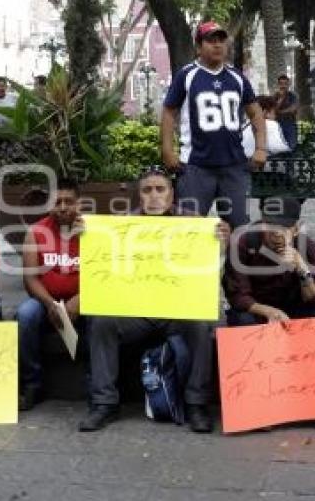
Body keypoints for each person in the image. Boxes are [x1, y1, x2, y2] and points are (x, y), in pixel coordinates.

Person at [79, 167, 230, 433]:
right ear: (140, 196)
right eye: (147, 190)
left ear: (172, 195)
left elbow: (209, 269)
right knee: (102, 321)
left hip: (177, 312)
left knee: (203, 322)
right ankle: (104, 403)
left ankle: (196, 403)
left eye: (160, 189)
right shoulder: (124, 223)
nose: (154, 196)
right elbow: (106, 264)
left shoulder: (194, 223)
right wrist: (88, 235)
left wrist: (221, 244)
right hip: (137, 311)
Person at [223, 197, 315, 432]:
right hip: (258, 310)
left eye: (284, 228)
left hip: (295, 310)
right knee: (242, 322)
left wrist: (303, 270)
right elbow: (238, 295)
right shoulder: (244, 242)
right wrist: (268, 311)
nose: (277, 234)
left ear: (295, 229)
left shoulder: (307, 247)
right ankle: (258, 406)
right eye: (270, 227)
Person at [161, 21, 267, 228]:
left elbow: (255, 113)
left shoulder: (237, 77)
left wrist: (261, 148)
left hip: (234, 166)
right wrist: (167, 150)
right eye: (211, 40)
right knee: (189, 228)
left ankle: (233, 261)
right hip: (195, 166)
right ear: (199, 47)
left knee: (238, 227)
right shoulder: (187, 75)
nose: (217, 45)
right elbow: (168, 112)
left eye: (221, 40)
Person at [17, 178, 83, 411]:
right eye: (57, 202)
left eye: (68, 201)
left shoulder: (91, 232)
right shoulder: (36, 233)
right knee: (25, 315)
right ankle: (32, 383)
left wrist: (81, 299)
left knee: (104, 318)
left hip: (82, 301)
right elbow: (30, 279)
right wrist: (50, 303)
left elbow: (102, 275)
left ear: (79, 204)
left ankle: (98, 383)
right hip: (46, 301)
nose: (63, 207)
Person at [274, 74, 300, 150]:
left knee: (292, 146)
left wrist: (279, 112)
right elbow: (273, 110)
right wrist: (281, 99)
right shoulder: (275, 96)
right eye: (281, 84)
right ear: (278, 85)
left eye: (285, 84)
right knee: (279, 147)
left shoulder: (293, 95)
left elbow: (293, 109)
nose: (283, 86)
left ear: (288, 85)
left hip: (290, 124)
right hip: (278, 125)